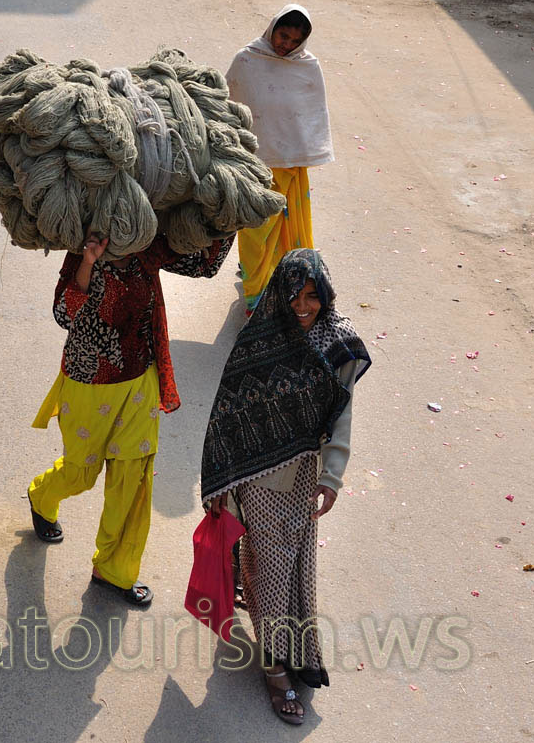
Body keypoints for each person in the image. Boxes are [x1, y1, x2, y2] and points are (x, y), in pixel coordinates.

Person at [201, 249, 370, 724]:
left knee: (295, 567)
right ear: (278, 293)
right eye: (293, 295)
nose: (302, 305)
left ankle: (292, 648)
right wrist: (223, 486)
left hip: (303, 479)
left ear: (326, 295)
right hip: (256, 482)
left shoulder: (337, 345)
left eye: (312, 296)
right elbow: (227, 419)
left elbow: (343, 414)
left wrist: (332, 475)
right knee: (273, 568)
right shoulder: (256, 341)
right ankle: (275, 670)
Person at [27, 231, 232, 606]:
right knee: (80, 474)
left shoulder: (148, 248)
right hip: (88, 382)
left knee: (132, 481)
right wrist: (88, 262)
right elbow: (64, 313)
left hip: (140, 381)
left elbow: (203, 264)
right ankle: (41, 495)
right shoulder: (82, 253)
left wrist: (228, 215)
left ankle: (115, 569)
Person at [225, 5, 334, 313]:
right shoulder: (247, 60)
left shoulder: (308, 67)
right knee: (255, 230)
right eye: (282, 36)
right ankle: (255, 294)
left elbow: (313, 114)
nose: (285, 45)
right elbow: (228, 105)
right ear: (272, 28)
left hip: (289, 164)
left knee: (281, 230)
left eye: (293, 41)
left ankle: (273, 281)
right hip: (254, 164)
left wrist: (305, 149)